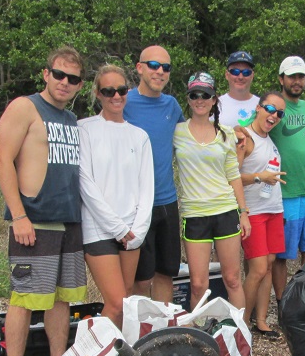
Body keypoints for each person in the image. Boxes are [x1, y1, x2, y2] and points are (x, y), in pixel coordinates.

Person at [0, 46, 87, 356]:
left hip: (70, 222)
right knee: (24, 299)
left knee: (62, 300)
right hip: (35, 220)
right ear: (46, 74)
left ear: (79, 85)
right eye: (59, 74)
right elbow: (2, 160)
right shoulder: (25, 107)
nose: (64, 82)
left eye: (73, 78)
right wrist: (19, 215)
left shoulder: (72, 119)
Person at [78, 64, 154, 327]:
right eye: (108, 91)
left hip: (132, 233)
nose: (116, 96)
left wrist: (137, 232)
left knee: (127, 302)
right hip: (99, 231)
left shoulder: (140, 136)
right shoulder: (84, 129)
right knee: (116, 302)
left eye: (121, 90)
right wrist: (117, 228)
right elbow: (85, 183)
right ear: (98, 94)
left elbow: (147, 188)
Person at [173, 72, 251, 310]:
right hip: (195, 215)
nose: (200, 100)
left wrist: (244, 212)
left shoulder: (226, 133)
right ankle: (198, 337)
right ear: (188, 98)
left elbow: (233, 175)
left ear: (214, 99)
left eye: (205, 95)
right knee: (198, 284)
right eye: (194, 95)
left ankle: (241, 336)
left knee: (233, 279)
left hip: (226, 212)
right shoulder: (177, 132)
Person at [123, 45, 185, 304]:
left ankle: (163, 333)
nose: (160, 72)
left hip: (167, 201)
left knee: (166, 273)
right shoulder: (123, 102)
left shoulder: (172, 105)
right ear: (139, 68)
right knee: (140, 278)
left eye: (166, 67)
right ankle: (137, 334)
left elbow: (193, 139)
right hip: (136, 205)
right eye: (153, 65)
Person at [269, 56, 305, 301]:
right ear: (281, 78)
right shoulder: (275, 107)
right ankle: (284, 303)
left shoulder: (304, 107)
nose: (297, 81)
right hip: (286, 192)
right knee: (282, 255)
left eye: (301, 77)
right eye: (292, 76)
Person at [238, 92, 287, 337]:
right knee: (257, 269)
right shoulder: (244, 137)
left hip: (274, 209)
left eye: (280, 113)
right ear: (258, 108)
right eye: (270, 109)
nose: (274, 115)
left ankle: (261, 320)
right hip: (254, 211)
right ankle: (242, 322)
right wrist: (260, 177)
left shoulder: (269, 138)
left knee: (268, 266)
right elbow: (232, 177)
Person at [218, 51, 259, 128]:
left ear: (252, 75)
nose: (240, 77)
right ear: (227, 75)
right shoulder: (216, 105)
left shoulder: (262, 105)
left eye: (246, 72)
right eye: (235, 72)